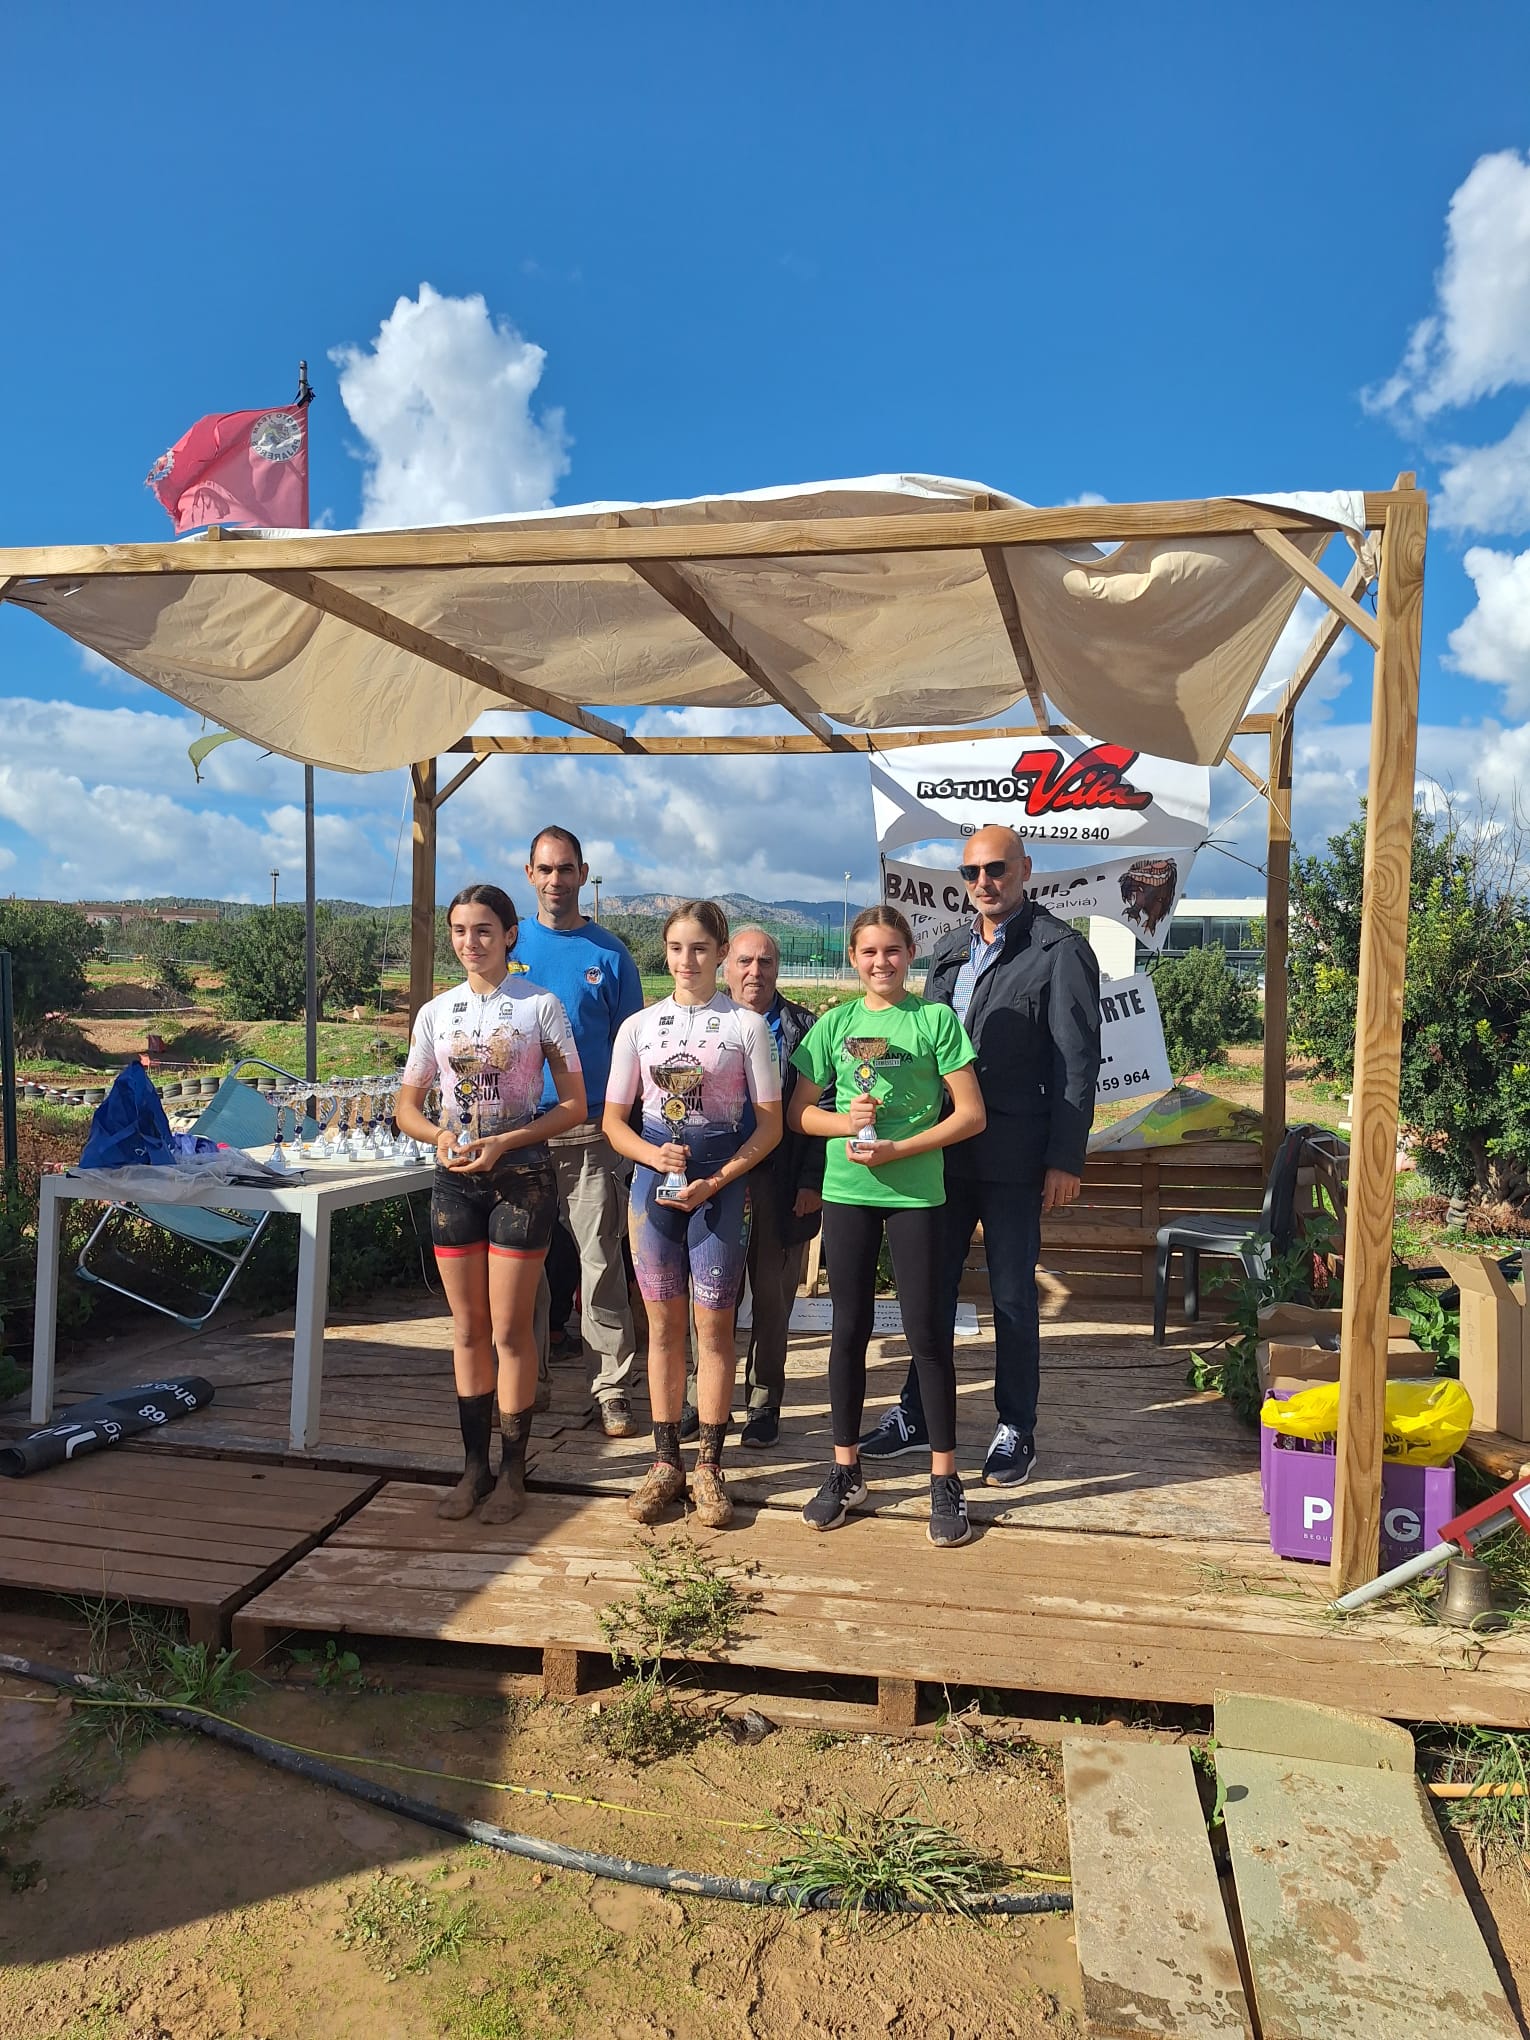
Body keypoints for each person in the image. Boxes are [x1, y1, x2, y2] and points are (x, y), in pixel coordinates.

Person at [859, 825, 1101, 1487]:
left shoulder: (1060, 951)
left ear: (1024, 869)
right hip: (940, 1152)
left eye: (996, 869)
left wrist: (1066, 1159)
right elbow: (918, 1045)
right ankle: (915, 1414)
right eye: (971, 873)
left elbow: (1077, 1064)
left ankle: (1015, 1427)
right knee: (926, 1289)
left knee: (1014, 1297)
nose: (983, 883)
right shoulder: (945, 953)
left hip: (1015, 1158)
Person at [786, 905, 986, 1548]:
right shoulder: (835, 1024)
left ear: (911, 954)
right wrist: (849, 1123)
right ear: (853, 957)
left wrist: (900, 1149)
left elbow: (972, 1115)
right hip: (848, 1195)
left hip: (918, 1196)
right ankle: (847, 1470)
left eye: (893, 951)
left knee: (927, 1333)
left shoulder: (934, 1020)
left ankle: (944, 1479)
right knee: (849, 1330)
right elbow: (799, 1115)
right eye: (869, 952)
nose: (881, 963)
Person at [396, 883, 587, 1524]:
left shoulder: (542, 1008)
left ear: (509, 935)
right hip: (456, 1178)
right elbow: (407, 1108)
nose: (470, 942)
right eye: (458, 930)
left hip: (521, 1177)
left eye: (483, 930)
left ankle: (513, 1474)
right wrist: (440, 1135)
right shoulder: (434, 1013)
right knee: (467, 1329)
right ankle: (472, 1470)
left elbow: (574, 1106)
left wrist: (508, 1139)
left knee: (509, 1329)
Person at [602, 901, 782, 1528]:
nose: (687, 961)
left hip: (718, 1193)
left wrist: (719, 1180)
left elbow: (770, 1126)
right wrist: (654, 1153)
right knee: (662, 1330)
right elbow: (611, 1122)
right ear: (666, 950)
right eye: (677, 948)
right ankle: (663, 1462)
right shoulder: (638, 1027)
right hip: (654, 1188)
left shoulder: (746, 1027)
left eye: (701, 948)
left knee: (713, 1332)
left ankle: (708, 1464)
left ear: (722, 952)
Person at [515, 826, 646, 1438]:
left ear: (583, 872)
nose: (555, 881)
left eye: (566, 869)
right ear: (529, 873)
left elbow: (634, 1054)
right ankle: (527, 1381)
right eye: (545, 869)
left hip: (591, 1132)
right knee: (526, 1267)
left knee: (600, 1264)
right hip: (519, 1134)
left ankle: (612, 1386)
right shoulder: (506, 947)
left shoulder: (611, 955)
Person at [722, 926, 826, 1449]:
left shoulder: (803, 1028)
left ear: (777, 968)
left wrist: (811, 1182)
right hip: (715, 1185)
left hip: (781, 1184)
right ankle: (702, 1399)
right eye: (744, 961)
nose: (754, 972)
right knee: (710, 1299)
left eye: (765, 962)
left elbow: (821, 1109)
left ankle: (764, 1403)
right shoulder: (702, 1022)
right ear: (726, 965)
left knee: (772, 1302)